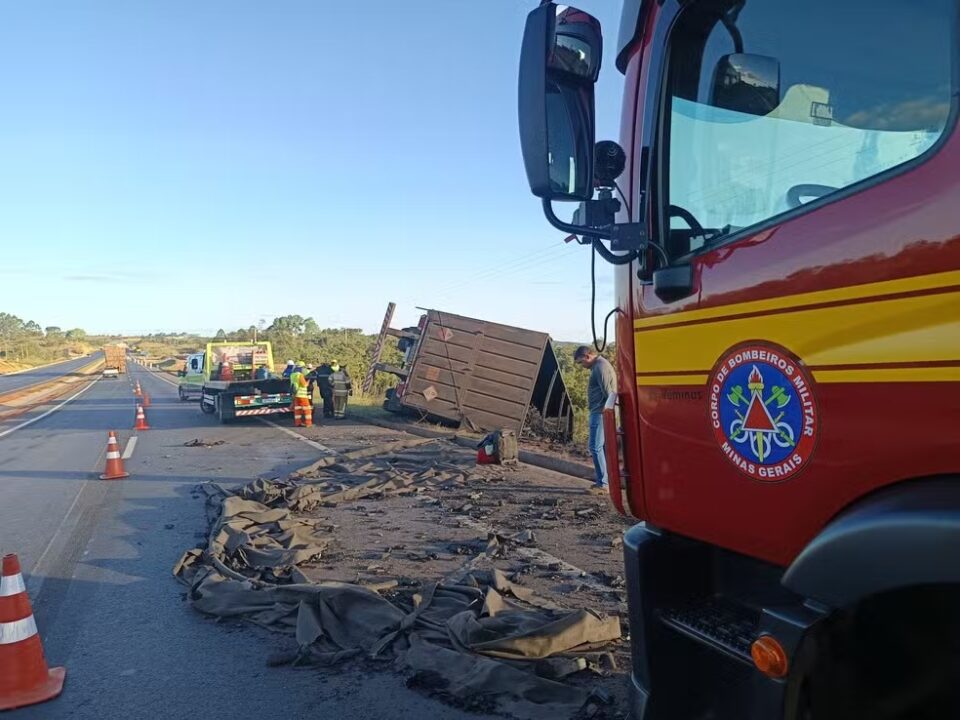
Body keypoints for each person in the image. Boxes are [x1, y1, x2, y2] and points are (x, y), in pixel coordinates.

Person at [574, 345, 617, 490]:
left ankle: (603, 484)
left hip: (600, 413)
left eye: (581, 362)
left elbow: (609, 393)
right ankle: (604, 481)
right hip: (600, 412)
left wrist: (607, 414)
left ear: (587, 356)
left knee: (595, 447)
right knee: (601, 448)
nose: (582, 366)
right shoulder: (599, 366)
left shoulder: (600, 367)